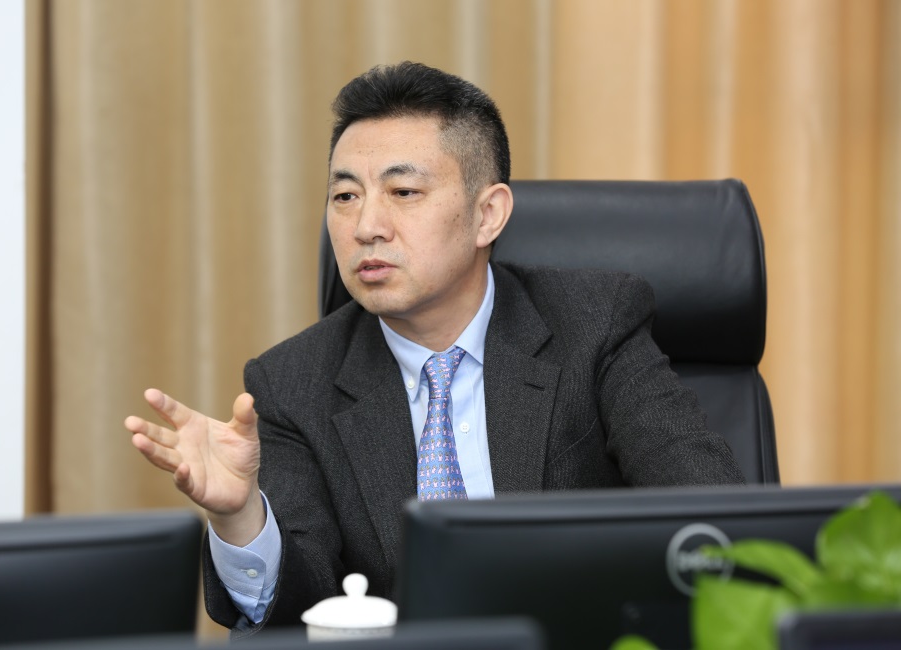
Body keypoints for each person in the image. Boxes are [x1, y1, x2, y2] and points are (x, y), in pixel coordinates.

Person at [124, 61, 745, 634]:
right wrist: (240, 517)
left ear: (488, 215)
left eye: (403, 192)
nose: (366, 226)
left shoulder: (595, 325)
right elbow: (297, 613)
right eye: (345, 196)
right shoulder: (291, 382)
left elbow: (710, 516)